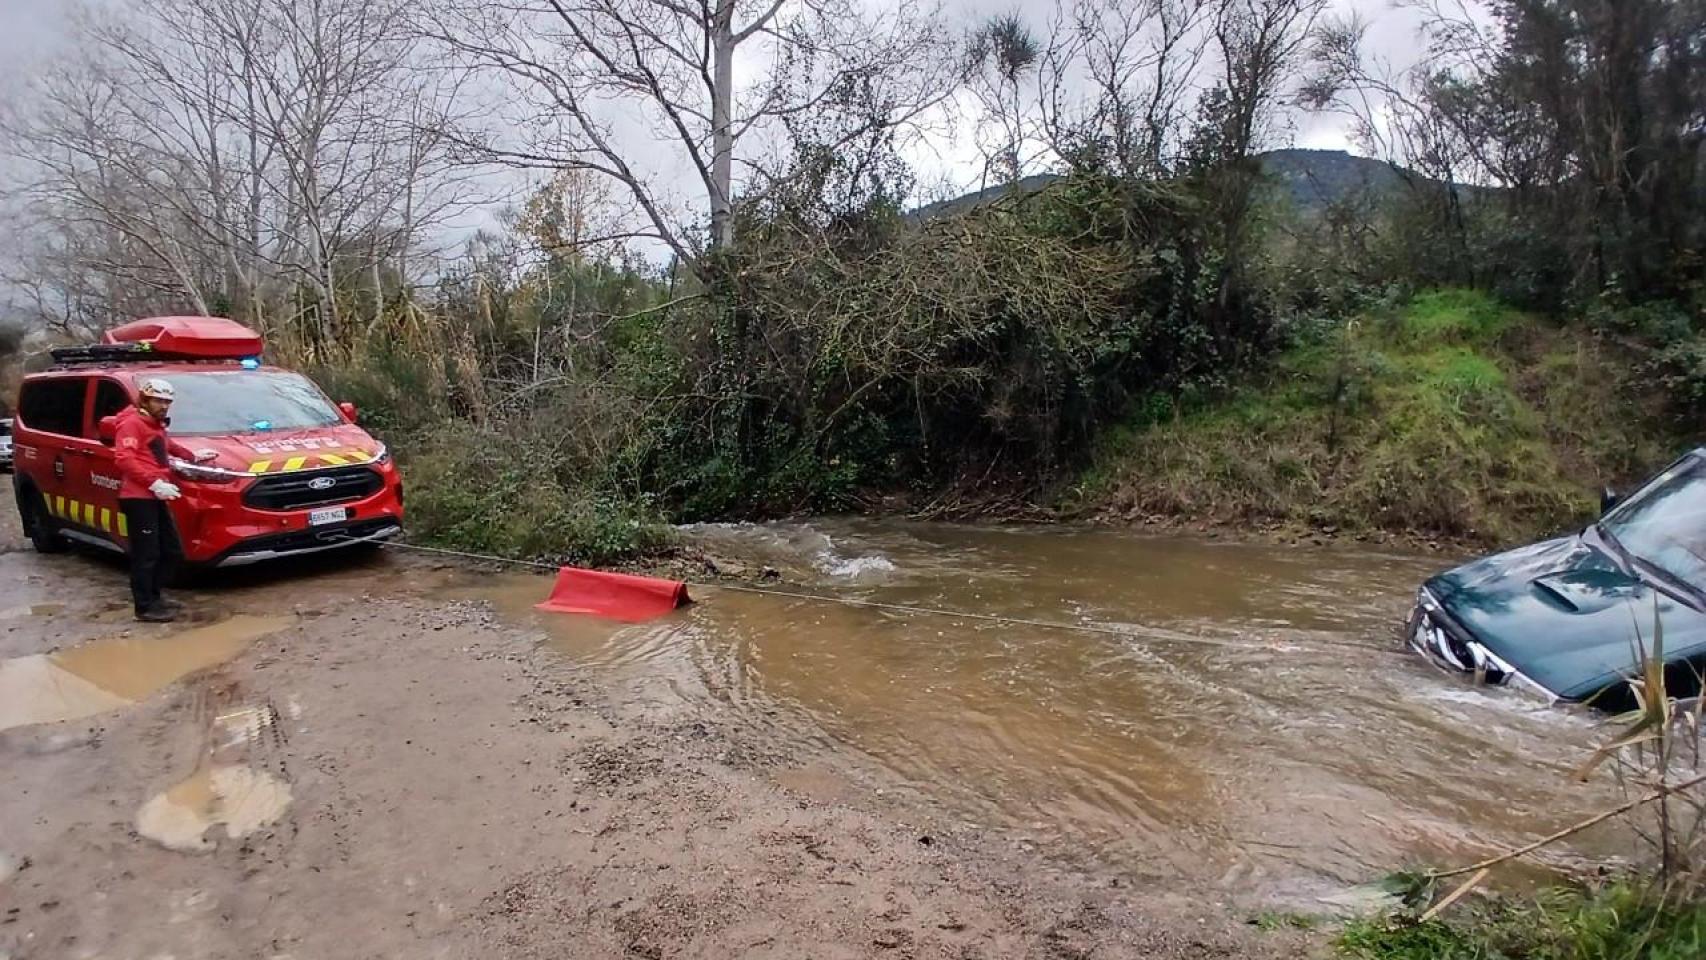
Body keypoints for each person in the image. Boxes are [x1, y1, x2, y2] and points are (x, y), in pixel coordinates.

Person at [114, 378, 189, 622]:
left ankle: (155, 597)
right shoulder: (132, 424)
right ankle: (145, 606)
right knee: (146, 554)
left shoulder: (154, 424)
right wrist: (153, 483)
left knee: (171, 550)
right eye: (159, 401)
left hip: (155, 494)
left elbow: (166, 445)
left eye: (167, 402)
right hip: (139, 497)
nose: (164, 406)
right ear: (145, 399)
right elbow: (124, 459)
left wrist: (194, 456)